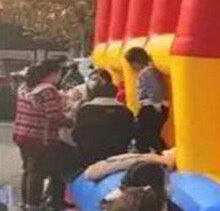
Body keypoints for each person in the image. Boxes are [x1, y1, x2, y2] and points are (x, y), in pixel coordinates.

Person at [13, 59, 71, 211]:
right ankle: (33, 205)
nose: (60, 77)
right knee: (37, 172)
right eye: (59, 73)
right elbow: (54, 116)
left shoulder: (25, 87)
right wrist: (71, 121)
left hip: (22, 134)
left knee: (28, 170)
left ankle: (26, 203)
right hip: (39, 137)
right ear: (52, 73)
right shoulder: (47, 90)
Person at [73, 80, 135, 167]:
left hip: (89, 158)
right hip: (117, 158)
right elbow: (131, 134)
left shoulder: (85, 110)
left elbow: (76, 134)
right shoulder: (125, 112)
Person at [124, 48, 168, 154]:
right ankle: (160, 153)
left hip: (151, 106)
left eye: (131, 64)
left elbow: (156, 89)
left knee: (145, 134)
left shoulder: (147, 73)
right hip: (154, 106)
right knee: (151, 135)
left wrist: (156, 105)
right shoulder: (150, 72)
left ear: (135, 62)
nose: (131, 67)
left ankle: (158, 153)